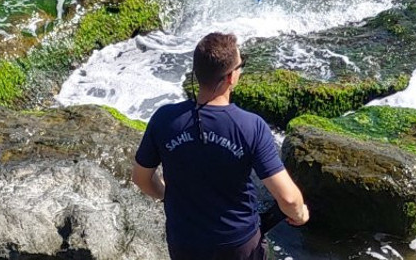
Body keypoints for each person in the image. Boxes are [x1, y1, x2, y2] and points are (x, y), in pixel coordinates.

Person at [132, 32, 310, 260]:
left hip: (185, 241)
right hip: (237, 243)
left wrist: (166, 194)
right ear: (230, 78)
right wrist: (300, 213)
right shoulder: (251, 126)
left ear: (196, 73)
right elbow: (288, 198)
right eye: (240, 65)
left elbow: (141, 178)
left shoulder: (164, 119)